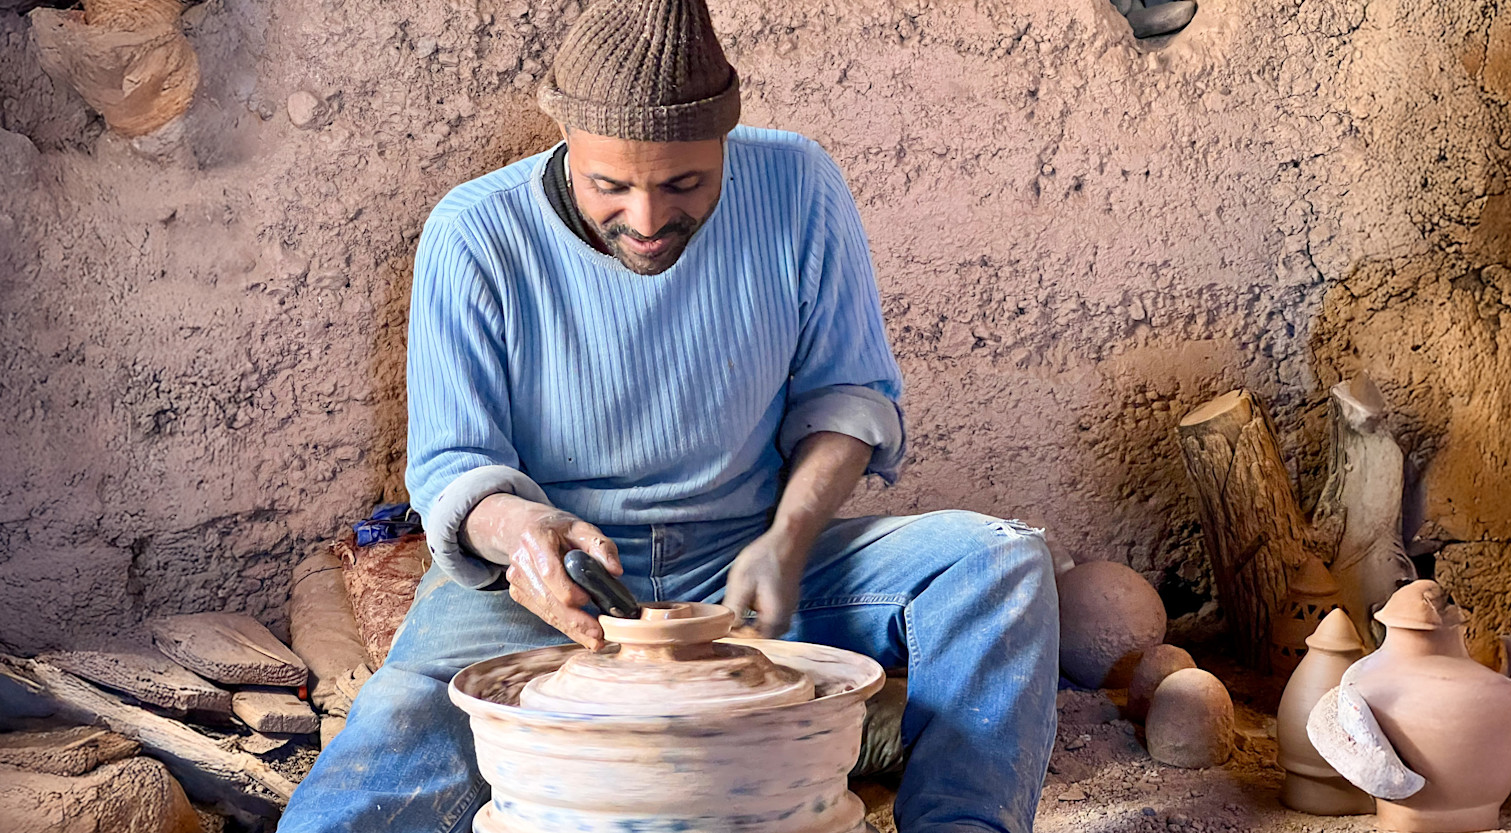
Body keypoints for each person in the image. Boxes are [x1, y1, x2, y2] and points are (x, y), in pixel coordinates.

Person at [277, 0, 1059, 830]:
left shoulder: (795, 186)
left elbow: (850, 398)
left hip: (745, 560)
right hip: (549, 580)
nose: (647, 222)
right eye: (609, 186)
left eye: (685, 183)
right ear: (566, 142)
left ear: (726, 137)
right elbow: (453, 469)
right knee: (376, 773)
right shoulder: (474, 234)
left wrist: (789, 536)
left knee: (996, 565)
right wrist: (527, 539)